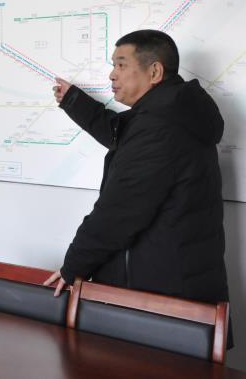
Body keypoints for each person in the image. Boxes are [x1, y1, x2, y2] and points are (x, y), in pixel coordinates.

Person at [44, 30, 229, 311]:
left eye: (121, 64)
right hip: (177, 283)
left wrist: (73, 268)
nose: (112, 74)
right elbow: (120, 133)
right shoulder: (170, 113)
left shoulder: (160, 128)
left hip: (159, 299)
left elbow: (117, 213)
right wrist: (73, 101)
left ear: (154, 72)